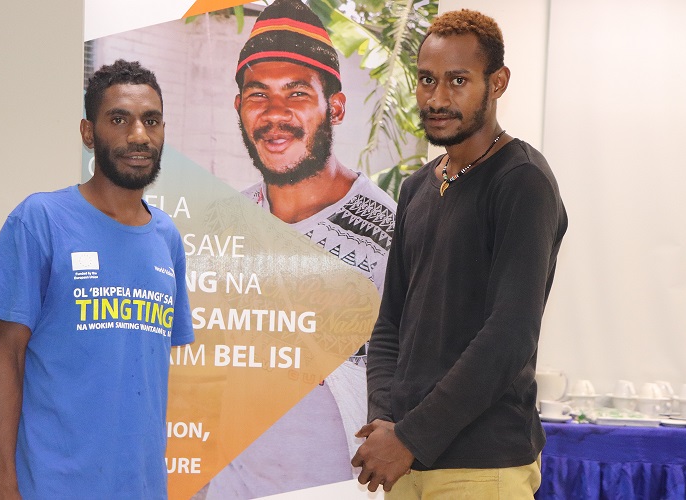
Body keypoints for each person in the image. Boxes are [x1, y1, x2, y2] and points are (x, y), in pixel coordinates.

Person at [352, 9, 568, 498]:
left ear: (498, 82)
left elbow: (509, 336)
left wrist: (409, 436)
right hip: (405, 464)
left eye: (457, 80)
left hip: (481, 465)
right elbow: (391, 324)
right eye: (426, 80)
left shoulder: (523, 181)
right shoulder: (416, 189)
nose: (437, 97)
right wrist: (385, 420)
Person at [0, 59, 195, 499]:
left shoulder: (166, 237)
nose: (138, 136)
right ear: (88, 133)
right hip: (51, 485)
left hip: (142, 487)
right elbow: (6, 356)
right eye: (119, 119)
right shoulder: (40, 219)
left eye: (151, 121)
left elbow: (143, 373)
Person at [205, 0, 396, 497]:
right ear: (239, 108)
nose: (275, 114)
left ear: (334, 106)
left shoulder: (390, 230)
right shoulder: (222, 228)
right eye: (257, 95)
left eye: (296, 93)